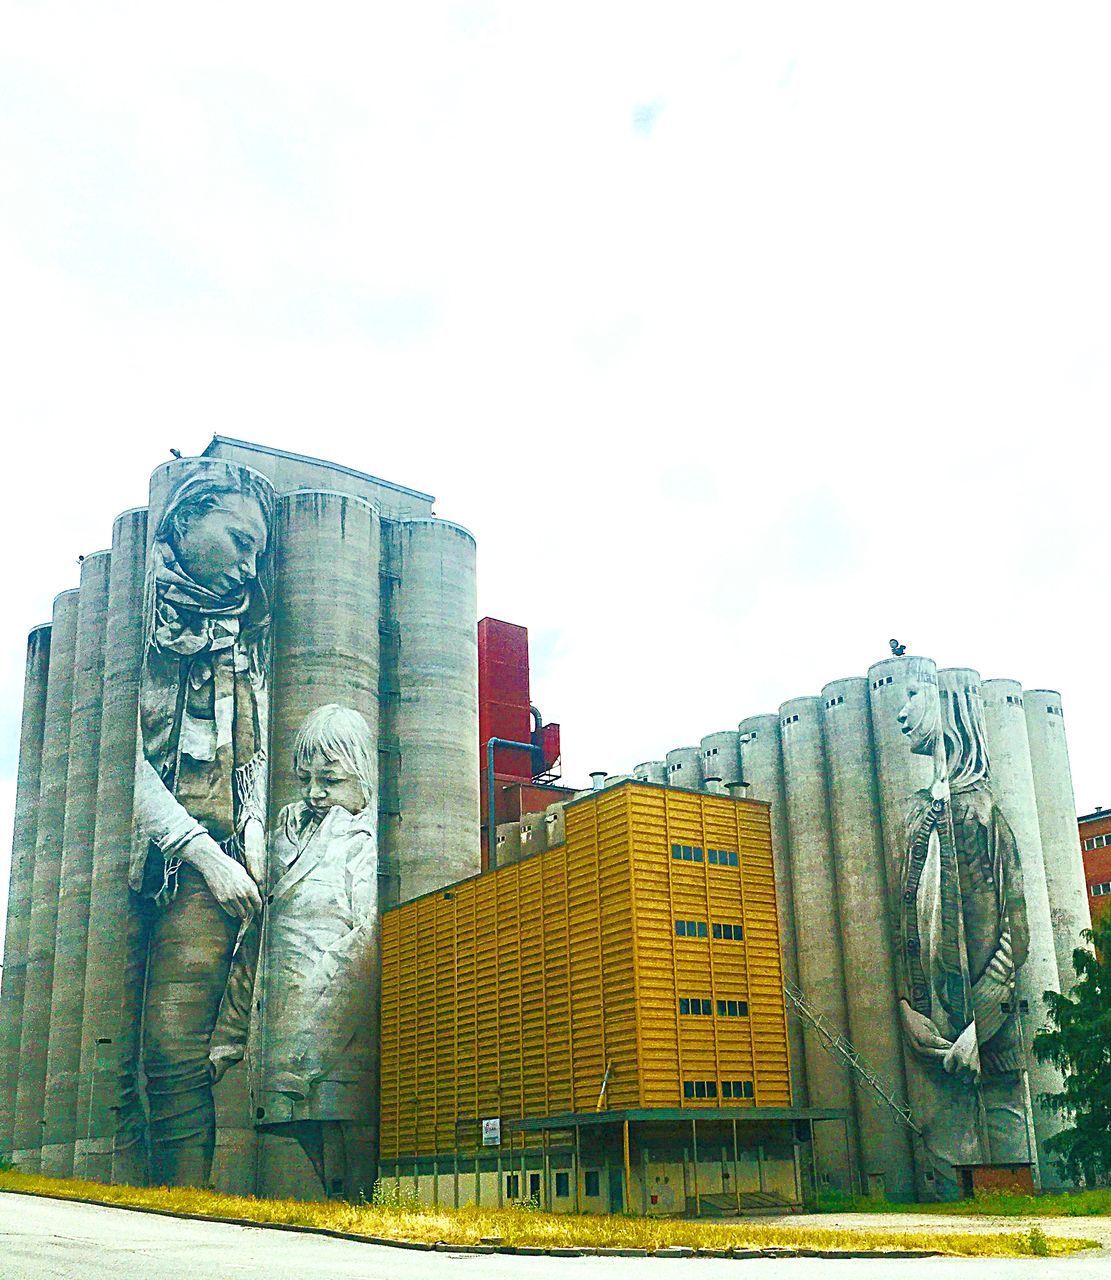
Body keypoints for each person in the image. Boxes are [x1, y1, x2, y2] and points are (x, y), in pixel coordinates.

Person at [130, 461, 273, 1187]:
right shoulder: (134, 613)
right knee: (140, 1041)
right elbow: (113, 761)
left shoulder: (238, 636)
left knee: (187, 1048)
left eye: (260, 552)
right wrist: (198, 851)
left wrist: (244, 844)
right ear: (185, 523)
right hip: (157, 855)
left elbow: (248, 751)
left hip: (218, 860)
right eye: (240, 540)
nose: (251, 564)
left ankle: (191, 1202)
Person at [895, 660, 1031, 1185]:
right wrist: (910, 1006)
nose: (902, 713)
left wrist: (983, 1025)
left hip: (985, 1029)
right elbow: (910, 919)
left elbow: (1015, 932)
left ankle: (1015, 1200)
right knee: (943, 1140)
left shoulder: (981, 808)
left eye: (913, 696)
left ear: (947, 704)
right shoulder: (916, 811)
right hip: (934, 1026)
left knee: (1003, 1119)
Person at [241, 704, 378, 1199]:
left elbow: (360, 949)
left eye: (331, 780)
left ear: (363, 776)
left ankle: (351, 1204)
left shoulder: (363, 846)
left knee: (336, 1138)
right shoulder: (289, 832)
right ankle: (343, 1203)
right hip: (281, 1031)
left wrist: (305, 1054)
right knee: (308, 1137)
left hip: (329, 1041)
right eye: (306, 780)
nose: (315, 793)